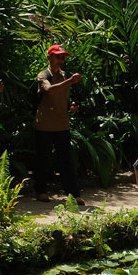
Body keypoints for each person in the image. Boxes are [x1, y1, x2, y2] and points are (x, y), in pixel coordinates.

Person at [34, 44, 84, 205]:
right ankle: (40, 191)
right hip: (44, 125)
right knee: (43, 159)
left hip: (62, 124)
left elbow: (62, 97)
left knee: (67, 161)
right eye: (58, 57)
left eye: (62, 57)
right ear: (49, 58)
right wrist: (70, 81)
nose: (61, 60)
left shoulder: (64, 75)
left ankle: (73, 194)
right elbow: (49, 91)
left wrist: (72, 106)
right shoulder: (43, 75)